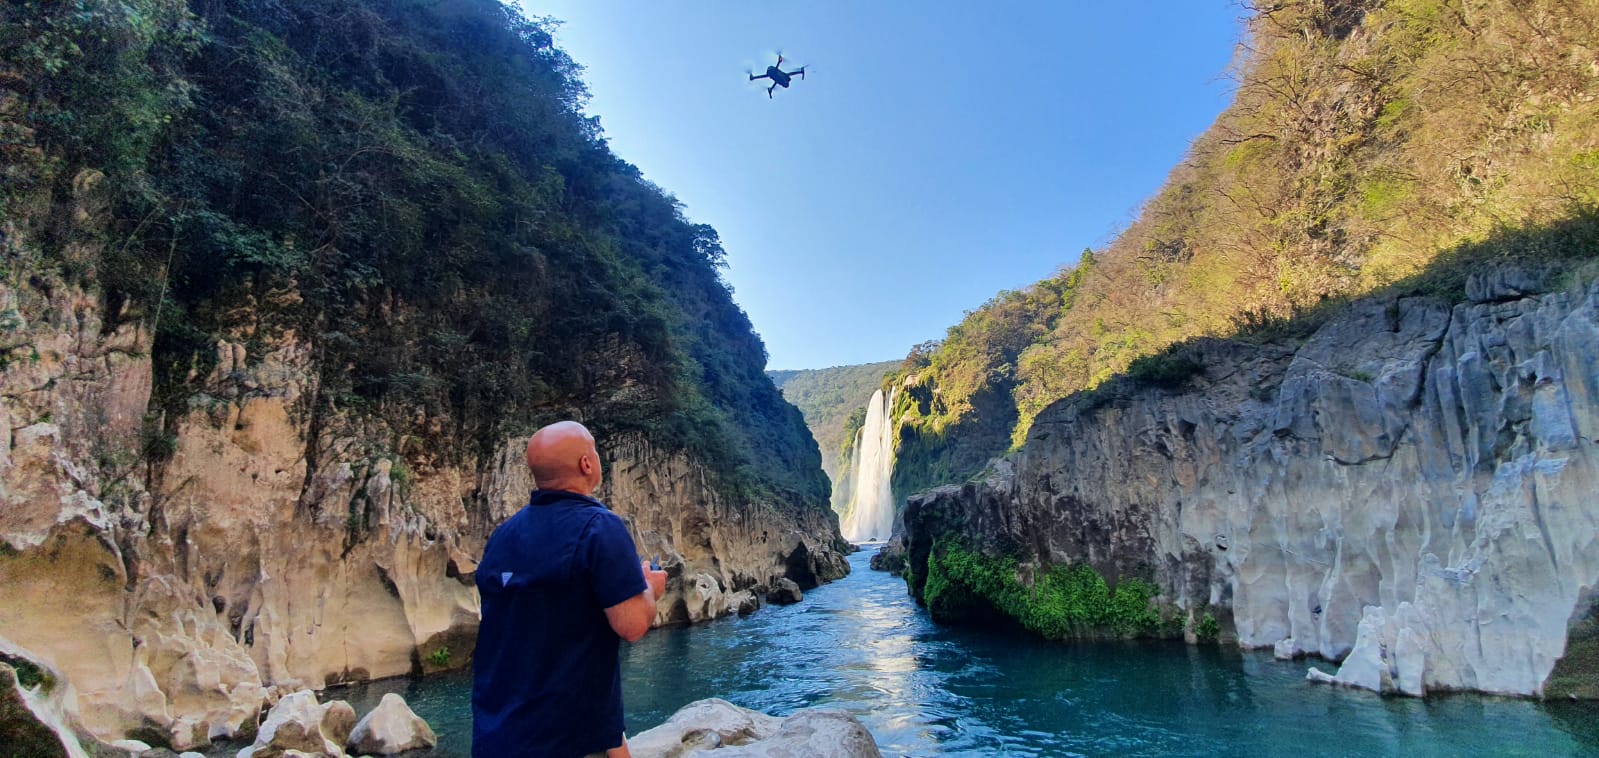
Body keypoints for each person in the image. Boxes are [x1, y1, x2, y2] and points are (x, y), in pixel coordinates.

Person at [472, 421, 670, 758]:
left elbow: (546, 634)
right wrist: (650, 589)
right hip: (565, 740)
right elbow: (633, 625)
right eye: (594, 450)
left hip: (496, 736)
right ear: (586, 464)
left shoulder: (503, 535)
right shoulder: (600, 527)